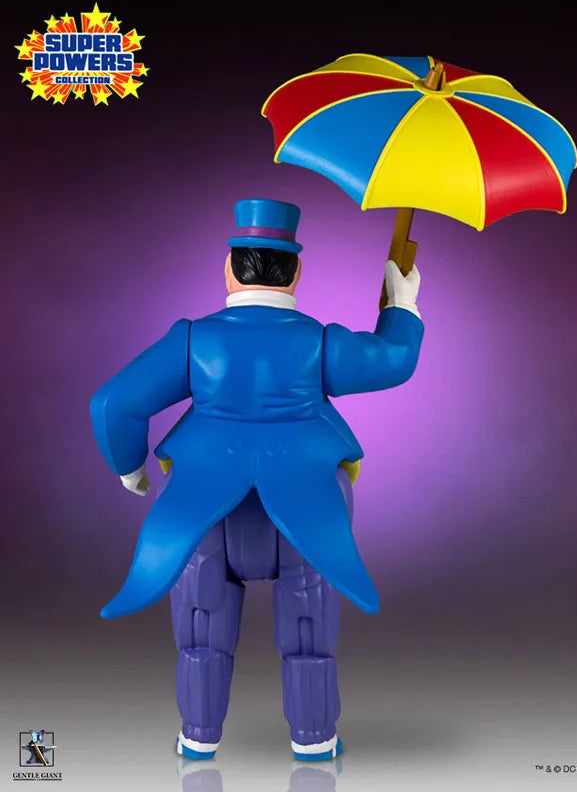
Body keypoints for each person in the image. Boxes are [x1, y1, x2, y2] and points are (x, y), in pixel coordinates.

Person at [90, 198, 424, 761]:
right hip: (308, 510)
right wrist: (402, 305)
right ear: (296, 273)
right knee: (309, 632)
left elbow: (112, 402)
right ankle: (313, 740)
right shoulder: (319, 342)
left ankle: (198, 735)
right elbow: (393, 360)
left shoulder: (194, 339)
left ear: (229, 268)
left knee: (201, 630)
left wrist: (131, 469)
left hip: (203, 509)